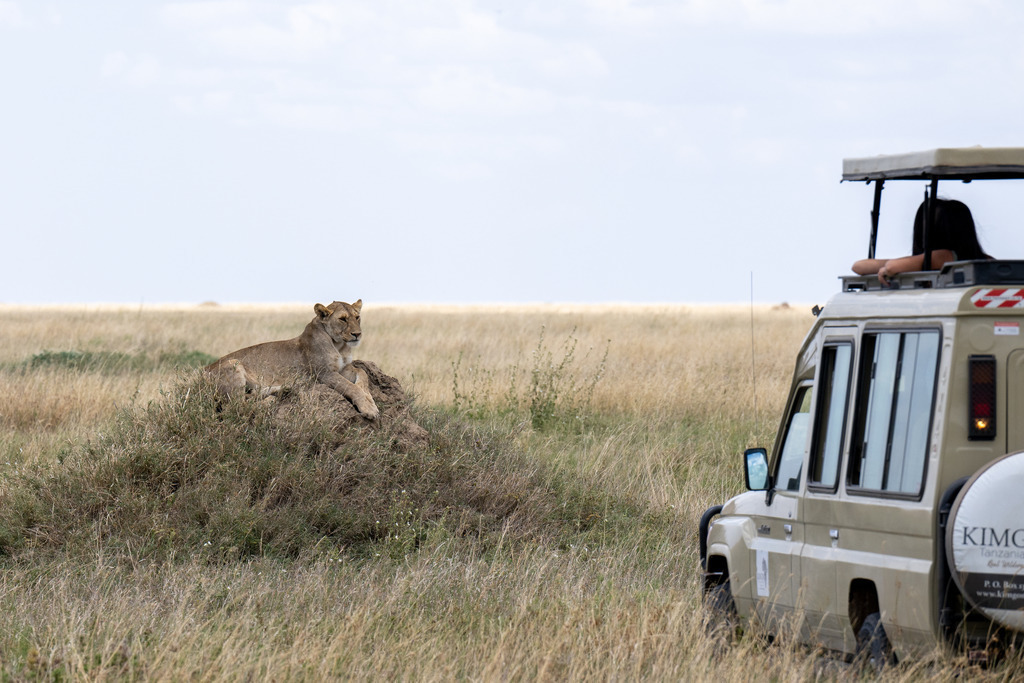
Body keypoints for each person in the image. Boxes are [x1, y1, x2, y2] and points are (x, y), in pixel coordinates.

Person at [852, 198, 992, 285]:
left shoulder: (944, 256)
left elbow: (891, 267)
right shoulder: (984, 259)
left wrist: (888, 268)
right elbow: (858, 266)